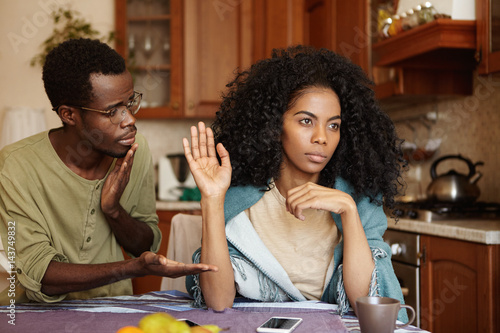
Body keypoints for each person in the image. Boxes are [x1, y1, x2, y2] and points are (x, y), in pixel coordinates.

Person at [182, 45, 408, 320]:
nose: (321, 137)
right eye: (306, 121)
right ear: (275, 127)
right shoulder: (239, 199)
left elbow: (366, 303)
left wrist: (348, 211)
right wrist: (212, 199)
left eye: (333, 125)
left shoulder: (359, 199)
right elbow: (218, 301)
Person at [0, 38, 217, 305]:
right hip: (34, 315)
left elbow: (144, 245)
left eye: (130, 103)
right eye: (113, 111)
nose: (130, 119)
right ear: (69, 115)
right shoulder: (16, 165)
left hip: (113, 309)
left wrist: (114, 211)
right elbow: (40, 274)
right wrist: (131, 269)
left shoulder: (135, 149)